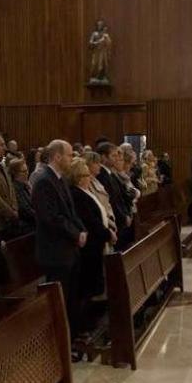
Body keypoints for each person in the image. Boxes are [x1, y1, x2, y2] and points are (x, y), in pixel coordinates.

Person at [32, 140, 86, 339]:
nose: (72, 159)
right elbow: (51, 218)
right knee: (60, 300)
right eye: (70, 155)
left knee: (71, 296)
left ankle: (71, 336)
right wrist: (76, 234)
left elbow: (71, 212)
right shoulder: (44, 181)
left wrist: (81, 230)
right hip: (55, 251)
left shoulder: (60, 179)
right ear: (57, 156)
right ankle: (60, 341)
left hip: (68, 248)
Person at [68, 158, 114, 331]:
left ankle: (95, 320)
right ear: (79, 177)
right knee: (89, 286)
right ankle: (88, 324)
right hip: (90, 247)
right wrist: (107, 233)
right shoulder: (77, 194)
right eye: (86, 175)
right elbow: (90, 221)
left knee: (95, 282)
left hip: (97, 243)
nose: (90, 178)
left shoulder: (85, 191)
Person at [8, 159, 35, 230]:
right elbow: (25, 210)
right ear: (15, 173)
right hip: (27, 224)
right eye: (23, 171)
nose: (27, 173)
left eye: (27, 170)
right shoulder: (15, 188)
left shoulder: (26, 184)